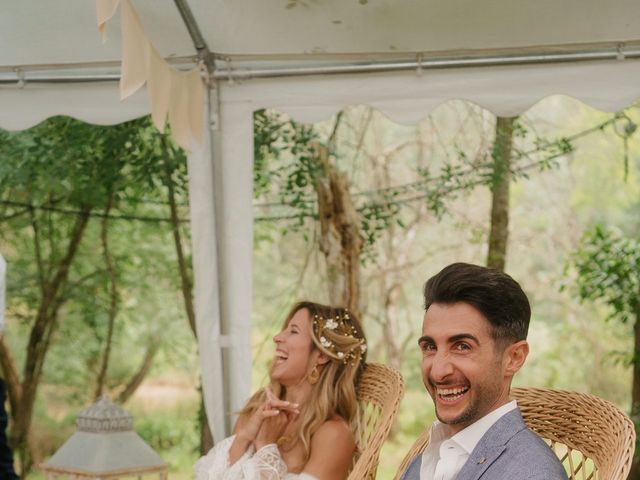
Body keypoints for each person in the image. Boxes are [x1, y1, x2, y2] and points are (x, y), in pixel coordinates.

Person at [400, 263, 567, 480]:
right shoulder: (427, 457)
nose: (438, 372)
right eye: (430, 347)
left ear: (513, 358)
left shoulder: (532, 474)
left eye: (462, 346)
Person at [195, 301, 368, 480]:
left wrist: (266, 446)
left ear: (322, 355)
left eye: (293, 331)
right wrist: (245, 436)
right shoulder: (258, 405)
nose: (277, 337)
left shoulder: (333, 435)